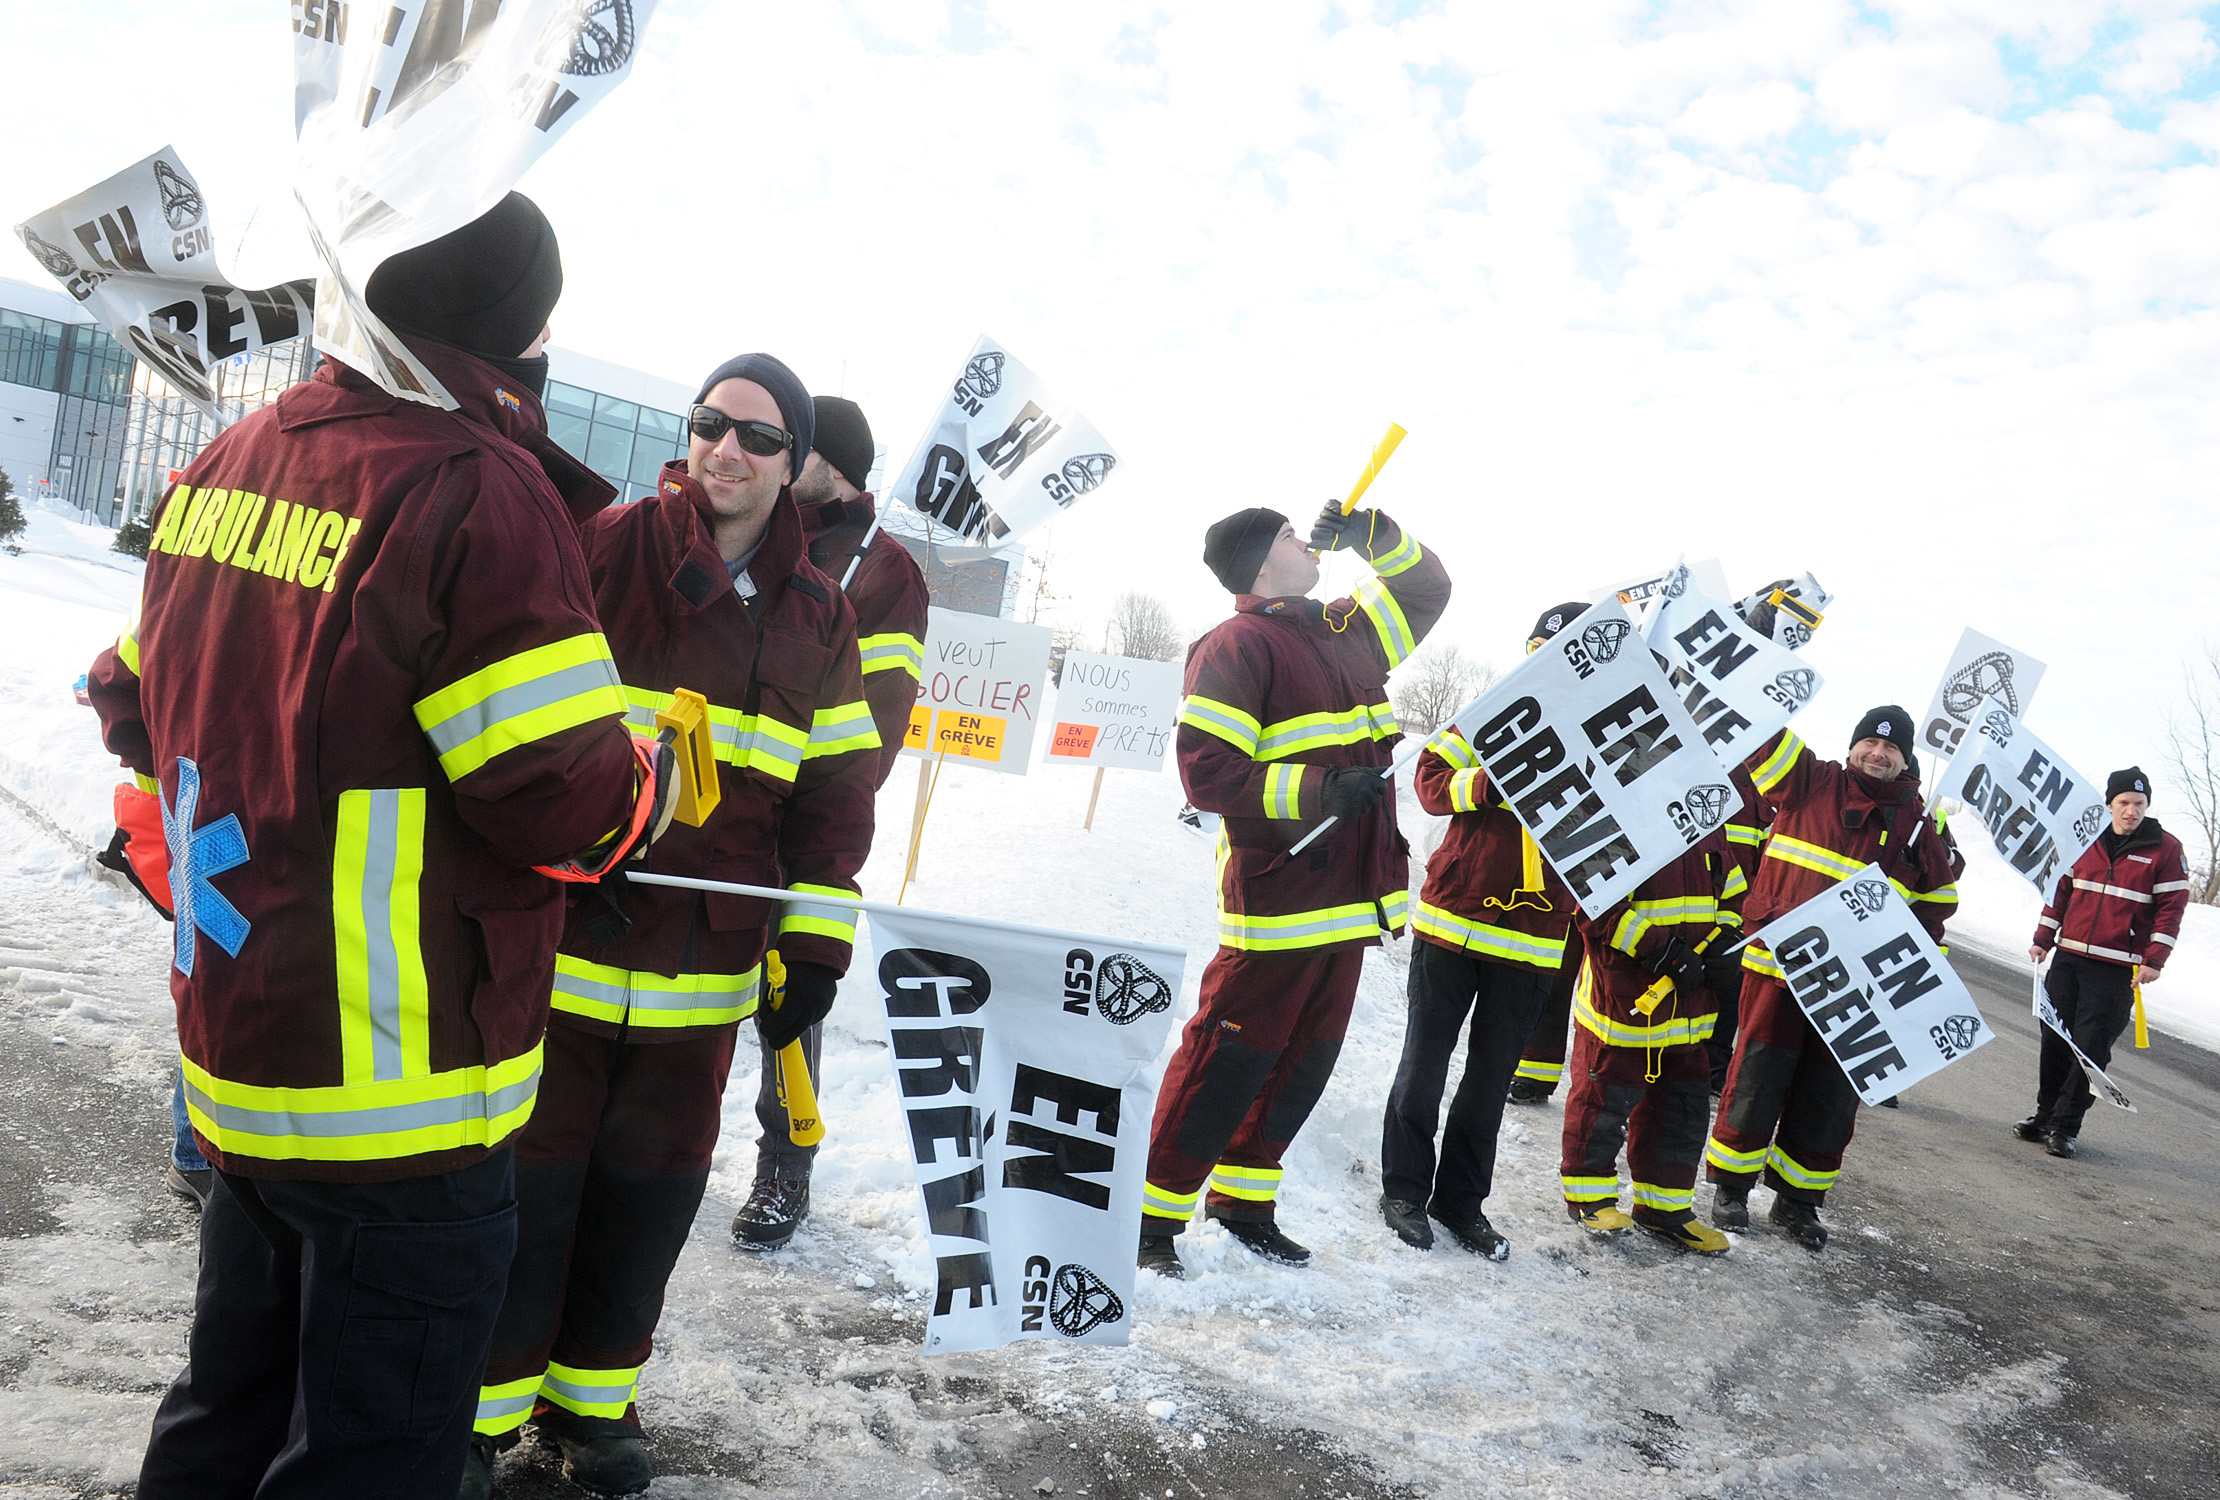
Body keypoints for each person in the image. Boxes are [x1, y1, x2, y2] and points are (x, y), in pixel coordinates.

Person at [89, 194, 673, 1495]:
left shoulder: (233, 457)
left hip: (241, 1058)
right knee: (373, 1458)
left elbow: (126, 690)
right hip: (400, 1099)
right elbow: (563, 800)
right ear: (519, 328)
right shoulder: (475, 487)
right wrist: (650, 773)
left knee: (226, 1412)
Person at [465, 355, 880, 1496]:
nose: (726, 450)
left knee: (648, 1200)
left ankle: (594, 1406)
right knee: (530, 1191)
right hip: (564, 952)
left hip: (702, 980)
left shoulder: (823, 615)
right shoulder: (601, 549)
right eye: (709, 424)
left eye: (758, 436)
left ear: (795, 465)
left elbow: (836, 797)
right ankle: (481, 1414)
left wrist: (815, 944)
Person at [1139, 501, 1449, 1278]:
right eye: (1287, 535)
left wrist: (1372, 535)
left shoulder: (1345, 630)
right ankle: (1148, 1219)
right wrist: (1319, 791)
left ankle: (1245, 1204)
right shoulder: (1235, 644)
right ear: (1258, 562)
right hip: (1279, 903)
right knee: (1225, 1063)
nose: (1305, 541)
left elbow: (1426, 589)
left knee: (1301, 1067)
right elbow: (1208, 774)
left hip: (1348, 900)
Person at [731, 394, 927, 1253]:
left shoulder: (884, 569)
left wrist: (817, 806)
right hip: (703, 802)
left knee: (789, 995)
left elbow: (876, 722)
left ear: (833, 464)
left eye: (798, 442)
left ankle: (788, 1160)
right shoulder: (749, 524)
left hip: (793, 818)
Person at [1703, 708, 1960, 1250]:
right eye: (1870, 742)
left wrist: (1918, 976)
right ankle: (1731, 1187)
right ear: (1851, 747)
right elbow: (1760, 731)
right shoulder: (1809, 779)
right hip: (1779, 968)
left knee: (1830, 1096)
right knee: (1757, 1077)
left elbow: (1936, 902)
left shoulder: (1919, 825)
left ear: (1906, 760)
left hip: (1855, 992)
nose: (1878, 754)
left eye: (1892, 749)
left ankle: (1798, 1201)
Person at [1377, 602, 1582, 1259]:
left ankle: (1461, 1205)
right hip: (1454, 921)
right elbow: (1429, 783)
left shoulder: (1605, 734)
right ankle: (1404, 1192)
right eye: (1540, 648)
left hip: (1533, 938)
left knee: (1490, 1083)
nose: (1546, 661)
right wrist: (1489, 784)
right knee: (1424, 1065)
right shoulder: (1492, 711)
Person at [1559, 832, 1739, 1253]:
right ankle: (1589, 1199)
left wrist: (1729, 939)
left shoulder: (1706, 819)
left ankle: (1665, 1210)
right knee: (1603, 1104)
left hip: (1687, 1007)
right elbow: (1594, 904)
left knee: (1681, 1112)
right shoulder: (1622, 816)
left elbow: (1732, 891)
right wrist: (1663, 950)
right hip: (1626, 999)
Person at [2020, 766, 2189, 1158]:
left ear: (2147, 805)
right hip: (2068, 958)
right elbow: (2059, 891)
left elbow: (2171, 911)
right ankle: (2044, 1117)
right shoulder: (2084, 837)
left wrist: (2155, 959)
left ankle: (2065, 1128)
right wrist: (2043, 939)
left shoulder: (2165, 848)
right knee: (2054, 1041)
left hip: (2116, 970)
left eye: (2140, 803)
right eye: (2124, 802)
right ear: (2109, 804)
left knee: (2090, 1049)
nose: (2132, 811)